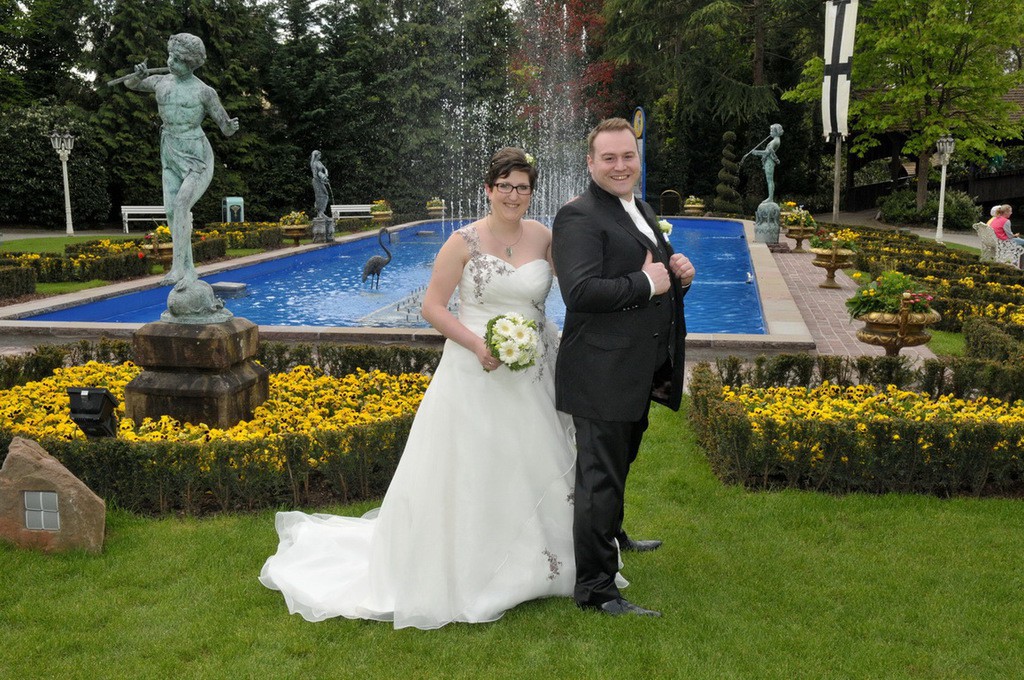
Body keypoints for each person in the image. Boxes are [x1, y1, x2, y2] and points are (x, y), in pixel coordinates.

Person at [260, 148, 582, 629]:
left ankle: (546, 561)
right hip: (475, 370)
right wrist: (477, 344)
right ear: (489, 189)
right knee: (474, 467)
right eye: (505, 186)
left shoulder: (543, 236)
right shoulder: (462, 241)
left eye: (522, 187)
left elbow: (580, 279)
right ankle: (473, 568)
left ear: (531, 192)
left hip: (534, 370)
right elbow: (433, 306)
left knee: (534, 458)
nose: (513, 195)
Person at [552, 117, 695, 618]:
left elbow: (656, 274)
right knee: (600, 479)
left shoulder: (641, 208)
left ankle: (612, 535)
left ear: (639, 159)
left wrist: (678, 275)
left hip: (635, 368)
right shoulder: (578, 216)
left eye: (628, 156)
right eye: (608, 158)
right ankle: (595, 590)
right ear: (590, 163)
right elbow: (580, 292)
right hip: (600, 372)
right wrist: (648, 282)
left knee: (620, 464)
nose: (620, 166)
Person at [123, 33, 239, 285]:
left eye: (177, 60)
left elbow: (224, 126)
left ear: (191, 63)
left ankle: (178, 269)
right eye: (170, 56)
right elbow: (131, 85)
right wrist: (137, 75)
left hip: (197, 158)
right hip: (169, 151)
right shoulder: (161, 82)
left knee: (181, 205)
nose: (170, 62)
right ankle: (189, 270)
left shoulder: (205, 92)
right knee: (171, 211)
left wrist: (230, 126)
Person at [745, 123, 783, 203]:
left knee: (770, 180)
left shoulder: (775, 141)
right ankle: (770, 198)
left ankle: (770, 198)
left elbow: (767, 152)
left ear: (776, 132)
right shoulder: (776, 140)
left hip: (769, 162)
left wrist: (756, 152)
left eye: (772, 131)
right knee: (770, 180)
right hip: (768, 161)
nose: (770, 132)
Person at [310, 150, 330, 220]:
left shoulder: (319, 162)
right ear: (316, 156)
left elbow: (325, 169)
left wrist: (326, 173)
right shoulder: (314, 164)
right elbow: (315, 175)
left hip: (320, 181)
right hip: (316, 181)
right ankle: (320, 213)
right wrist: (322, 178)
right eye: (319, 155)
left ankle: (322, 212)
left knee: (326, 195)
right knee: (319, 196)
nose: (320, 157)